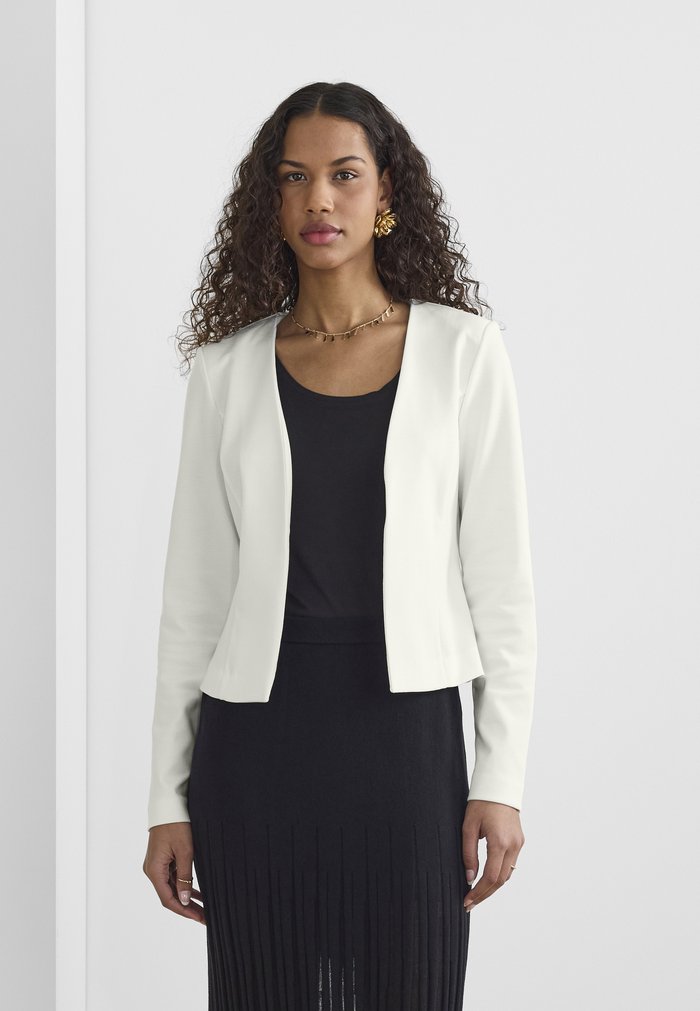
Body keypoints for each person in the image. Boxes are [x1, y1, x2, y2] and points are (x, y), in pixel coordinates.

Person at [142, 80, 537, 1010]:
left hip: (407, 747)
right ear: (272, 201)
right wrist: (167, 798)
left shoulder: (463, 354)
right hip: (257, 747)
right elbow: (193, 603)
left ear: (385, 191)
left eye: (344, 175)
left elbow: (503, 588)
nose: (319, 198)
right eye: (295, 177)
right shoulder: (226, 371)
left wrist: (501, 777)